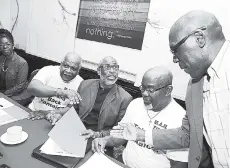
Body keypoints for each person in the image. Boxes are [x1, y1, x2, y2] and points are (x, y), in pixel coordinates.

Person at [110, 10, 230, 168]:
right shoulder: (195, 85)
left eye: (175, 50)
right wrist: (141, 135)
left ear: (199, 38)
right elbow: (187, 135)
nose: (174, 59)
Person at [92, 67, 189, 168]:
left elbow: (179, 164)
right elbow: (121, 136)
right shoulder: (136, 104)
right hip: (123, 163)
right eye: (142, 88)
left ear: (168, 90)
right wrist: (105, 140)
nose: (144, 94)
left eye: (151, 90)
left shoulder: (180, 119)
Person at [78, 56, 133, 139]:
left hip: (100, 138)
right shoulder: (85, 85)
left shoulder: (125, 98)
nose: (112, 71)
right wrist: (59, 114)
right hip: (77, 129)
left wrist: (97, 134)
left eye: (115, 68)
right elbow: (73, 109)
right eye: (107, 67)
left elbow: (119, 131)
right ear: (98, 71)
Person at [27, 52, 83, 125]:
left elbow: (72, 109)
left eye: (73, 68)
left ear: (78, 70)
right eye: (66, 66)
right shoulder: (48, 70)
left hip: (57, 119)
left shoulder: (81, 84)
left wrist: (46, 113)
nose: (68, 71)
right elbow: (31, 88)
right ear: (61, 64)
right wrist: (62, 92)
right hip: (33, 112)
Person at [0, 29, 29, 103]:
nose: (5, 47)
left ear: (13, 45)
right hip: (5, 91)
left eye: (8, 44)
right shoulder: (1, 58)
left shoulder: (22, 63)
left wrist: (4, 94)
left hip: (19, 94)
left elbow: (20, 87)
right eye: (1, 45)